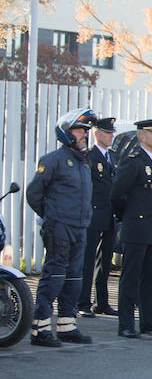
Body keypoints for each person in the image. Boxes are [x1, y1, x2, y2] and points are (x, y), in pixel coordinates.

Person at [26, 108, 97, 347]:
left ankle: (67, 326)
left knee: (74, 278)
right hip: (59, 227)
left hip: (79, 227)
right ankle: (40, 329)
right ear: (67, 132)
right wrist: (51, 217)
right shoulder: (53, 160)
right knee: (54, 276)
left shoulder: (83, 162)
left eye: (86, 131)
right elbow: (34, 194)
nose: (85, 135)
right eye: (80, 130)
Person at [111, 118, 152, 338]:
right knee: (131, 278)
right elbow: (117, 194)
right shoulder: (133, 161)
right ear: (142, 136)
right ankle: (126, 324)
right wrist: (129, 216)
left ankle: (149, 322)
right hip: (137, 229)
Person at [76, 116, 118, 319]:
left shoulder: (113, 157)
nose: (111, 137)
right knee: (87, 259)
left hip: (109, 215)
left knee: (105, 262)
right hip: (93, 214)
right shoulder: (89, 156)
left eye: (111, 133)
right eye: (107, 133)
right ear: (97, 134)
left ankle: (102, 302)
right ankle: (83, 301)